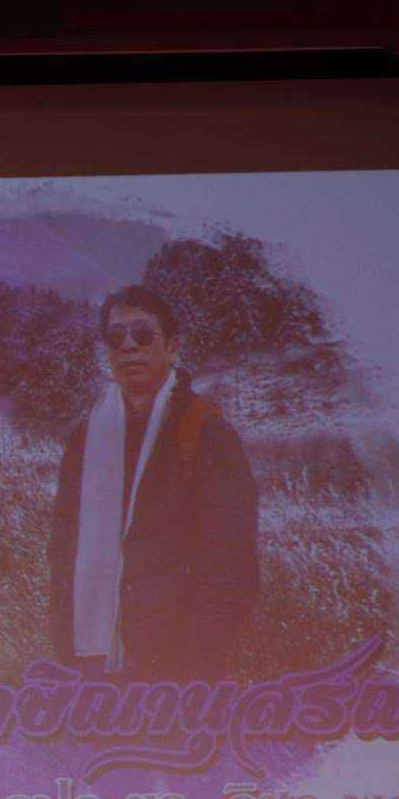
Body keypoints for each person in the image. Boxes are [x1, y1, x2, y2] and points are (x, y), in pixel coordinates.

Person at [48, 284, 259, 680]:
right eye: (116, 337)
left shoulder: (204, 431)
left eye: (143, 334)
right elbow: (64, 547)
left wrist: (197, 656)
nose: (129, 346)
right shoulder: (87, 437)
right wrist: (64, 636)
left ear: (172, 347)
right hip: (91, 655)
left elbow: (232, 561)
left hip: (178, 661)